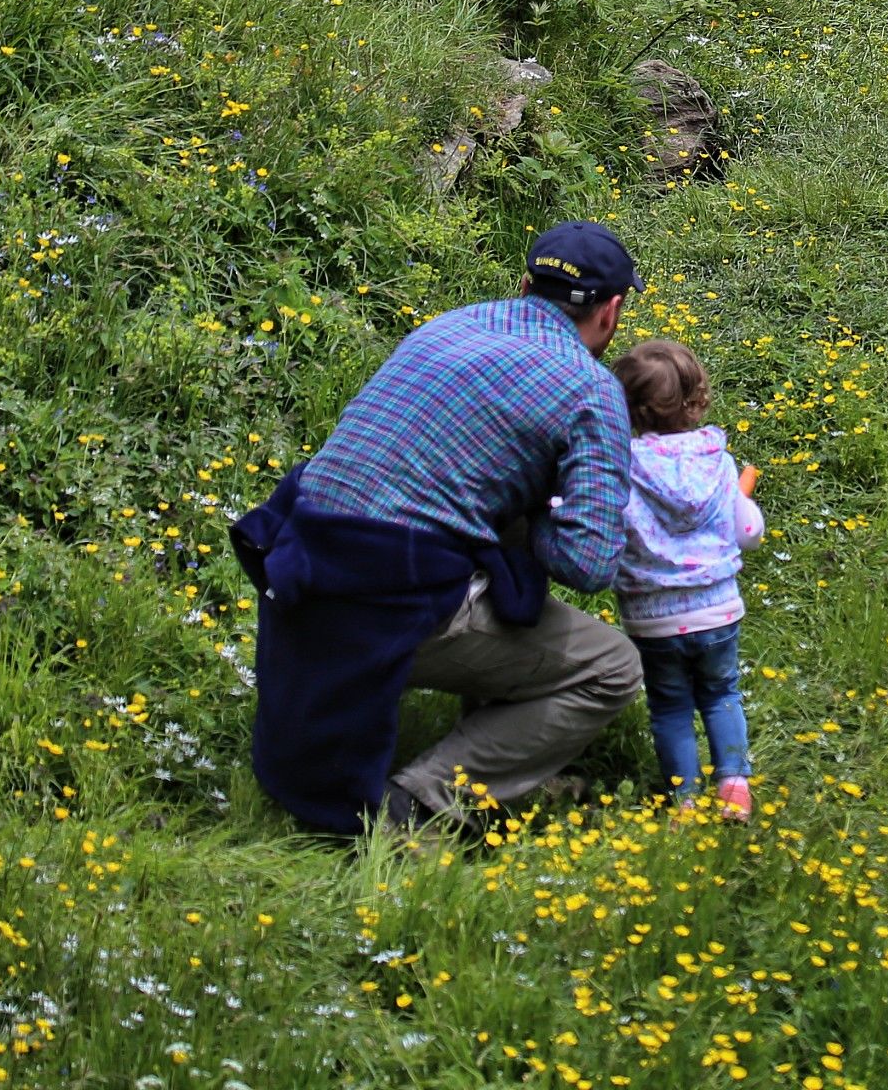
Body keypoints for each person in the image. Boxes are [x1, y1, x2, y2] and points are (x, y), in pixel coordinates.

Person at [228, 220, 646, 835]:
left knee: (494, 538)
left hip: (299, 554)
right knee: (611, 668)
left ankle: (494, 745)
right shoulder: (590, 390)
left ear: (526, 284)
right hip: (385, 593)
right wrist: (537, 517)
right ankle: (423, 802)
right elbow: (590, 563)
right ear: (610, 313)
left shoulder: (450, 325)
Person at [606, 339, 764, 818]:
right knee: (721, 694)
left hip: (652, 618)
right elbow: (748, 532)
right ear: (697, 399)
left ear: (627, 406)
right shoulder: (717, 459)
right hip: (717, 608)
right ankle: (734, 788)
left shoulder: (622, 464)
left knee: (670, 707)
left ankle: (685, 800)